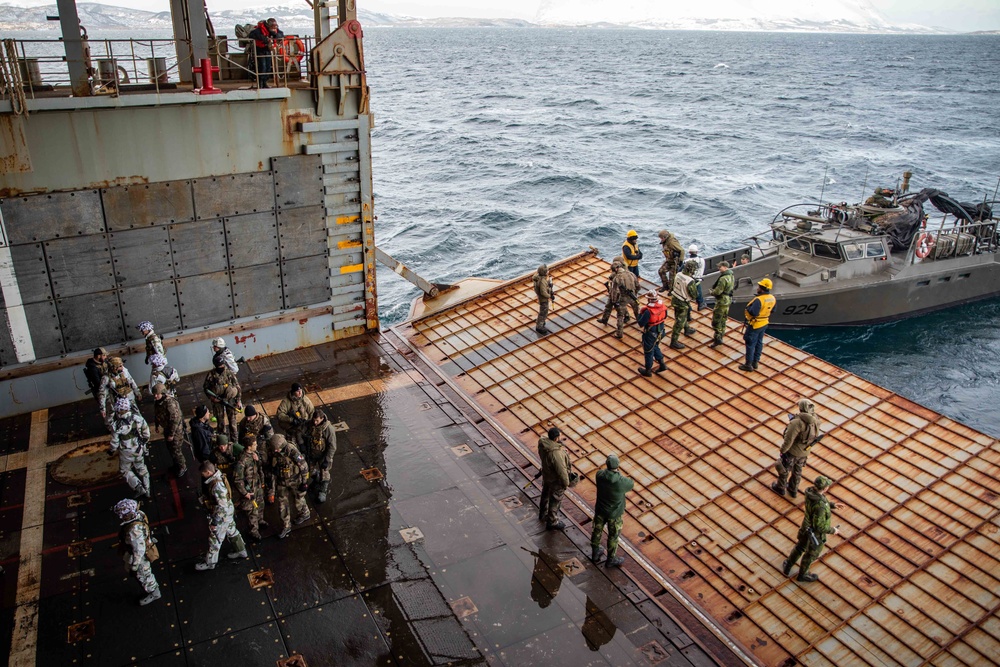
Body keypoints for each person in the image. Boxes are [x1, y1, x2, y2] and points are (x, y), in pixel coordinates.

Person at [782, 476, 840, 583]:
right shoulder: (820, 506)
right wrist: (833, 530)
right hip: (815, 534)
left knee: (800, 547)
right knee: (810, 554)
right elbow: (820, 526)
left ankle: (788, 565)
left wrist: (831, 505)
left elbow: (817, 504)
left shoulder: (810, 493)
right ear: (825, 488)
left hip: (806, 527)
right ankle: (803, 575)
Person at [195, 462, 248, 570]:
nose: (202, 475)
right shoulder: (219, 477)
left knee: (215, 539)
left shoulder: (216, 486)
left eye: (203, 473)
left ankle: (210, 563)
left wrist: (215, 522)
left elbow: (221, 506)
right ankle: (241, 550)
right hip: (228, 511)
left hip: (222, 515)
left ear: (208, 472)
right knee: (232, 531)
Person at [113, 499, 161, 606]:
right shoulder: (140, 514)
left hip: (140, 558)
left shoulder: (134, 530)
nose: (122, 517)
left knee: (144, 575)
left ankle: (154, 592)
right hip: (143, 545)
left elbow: (139, 550)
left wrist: (135, 566)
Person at [590, 454, 634, 567]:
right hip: (614, 514)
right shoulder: (622, 482)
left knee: (597, 530)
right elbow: (631, 484)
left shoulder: (599, 475)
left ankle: (595, 552)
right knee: (613, 536)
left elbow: (603, 473)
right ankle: (611, 559)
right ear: (618, 466)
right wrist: (618, 473)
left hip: (600, 510)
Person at [771, 399, 821, 498]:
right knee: (797, 471)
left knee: (784, 469)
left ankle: (780, 487)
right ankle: (793, 489)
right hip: (805, 451)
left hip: (793, 451)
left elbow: (788, 439)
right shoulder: (816, 420)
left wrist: (783, 450)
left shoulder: (797, 422)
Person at [268, 433, 310, 538]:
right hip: (281, 481)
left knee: (299, 499)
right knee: (282, 503)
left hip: (295, 480)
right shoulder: (273, 451)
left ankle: (304, 512)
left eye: (277, 449)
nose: (276, 451)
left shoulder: (291, 450)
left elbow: (304, 466)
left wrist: (304, 482)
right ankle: (286, 525)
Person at [108, 398, 152, 499]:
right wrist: (144, 442)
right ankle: (147, 489)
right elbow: (146, 433)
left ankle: (138, 487)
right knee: (142, 469)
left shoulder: (116, 425)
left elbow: (115, 442)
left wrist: (111, 451)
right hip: (139, 449)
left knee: (124, 470)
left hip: (126, 453)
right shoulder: (138, 419)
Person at [233, 436, 267, 540]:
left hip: (257, 485)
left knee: (260, 504)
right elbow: (237, 479)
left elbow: (260, 466)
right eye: (255, 444)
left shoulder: (254, 454)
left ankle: (260, 520)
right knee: (252, 510)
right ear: (249, 447)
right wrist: (245, 493)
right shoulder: (242, 461)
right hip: (249, 489)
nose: (256, 445)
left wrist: (258, 460)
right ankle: (253, 530)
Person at [538, 427, 572, 531]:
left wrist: (559, 447)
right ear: (556, 438)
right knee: (555, 499)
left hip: (547, 474)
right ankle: (552, 522)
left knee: (545, 494)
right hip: (555, 480)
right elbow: (561, 470)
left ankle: (542, 513)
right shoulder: (556, 454)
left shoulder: (542, 443)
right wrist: (566, 483)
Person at [740, 278, 776, 373]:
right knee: (759, 343)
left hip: (755, 324)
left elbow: (754, 312)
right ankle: (755, 362)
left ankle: (748, 365)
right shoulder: (772, 298)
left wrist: (749, 309)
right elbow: (773, 310)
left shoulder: (758, 300)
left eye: (759, 286)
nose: (757, 288)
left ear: (762, 288)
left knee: (750, 343)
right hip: (764, 323)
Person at [203, 354, 241, 442]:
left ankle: (235, 441)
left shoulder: (229, 373)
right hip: (217, 401)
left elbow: (237, 387)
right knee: (220, 423)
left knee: (233, 422)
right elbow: (205, 388)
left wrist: (238, 401)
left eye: (222, 365)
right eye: (219, 366)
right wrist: (212, 398)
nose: (221, 367)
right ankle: (223, 441)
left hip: (230, 400)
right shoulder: (211, 375)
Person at [152, 383, 187, 477]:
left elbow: (175, 420)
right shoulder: (158, 402)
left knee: (176, 450)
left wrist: (171, 434)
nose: (155, 396)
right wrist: (157, 425)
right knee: (170, 449)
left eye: (157, 394)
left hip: (175, 431)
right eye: (154, 394)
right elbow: (157, 413)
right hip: (167, 428)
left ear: (163, 393)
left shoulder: (170, 403)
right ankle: (176, 465)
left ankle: (182, 466)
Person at [598, 259, 640, 340]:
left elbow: (614, 292)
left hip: (623, 298)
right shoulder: (631, 274)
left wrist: (614, 301)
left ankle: (619, 333)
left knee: (620, 316)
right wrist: (635, 294)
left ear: (616, 269)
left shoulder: (617, 278)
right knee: (637, 313)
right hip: (633, 296)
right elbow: (638, 286)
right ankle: (642, 324)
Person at [99, 357, 141, 427]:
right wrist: (102, 408)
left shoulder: (124, 371)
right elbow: (102, 394)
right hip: (118, 403)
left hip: (129, 397)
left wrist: (137, 392)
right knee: (120, 418)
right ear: (114, 367)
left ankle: (140, 426)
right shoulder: (106, 378)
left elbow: (131, 380)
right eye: (120, 366)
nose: (122, 367)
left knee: (137, 413)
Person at [306, 409, 337, 503]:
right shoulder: (310, 424)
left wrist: (327, 459)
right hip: (312, 453)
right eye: (314, 420)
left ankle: (323, 491)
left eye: (317, 421)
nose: (315, 422)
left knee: (325, 474)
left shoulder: (329, 429)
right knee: (308, 470)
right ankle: (316, 479)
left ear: (322, 418)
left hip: (323, 455)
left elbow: (332, 446)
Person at [636, 291, 668, 377]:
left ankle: (648, 370)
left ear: (649, 300)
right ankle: (662, 364)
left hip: (651, 334)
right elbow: (665, 316)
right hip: (661, 331)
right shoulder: (663, 307)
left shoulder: (648, 312)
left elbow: (640, 323)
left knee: (648, 351)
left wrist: (640, 314)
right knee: (655, 346)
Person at [668, 260, 698, 350]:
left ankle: (687, 328)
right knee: (679, 322)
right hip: (683, 302)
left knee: (680, 317)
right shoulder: (690, 281)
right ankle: (673, 342)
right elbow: (694, 295)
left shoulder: (678, 274)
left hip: (675, 298)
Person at [248, 18, 283, 89]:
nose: (273, 29)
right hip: (260, 49)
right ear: (268, 26)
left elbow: (281, 34)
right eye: (271, 27)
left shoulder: (275, 30)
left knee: (267, 67)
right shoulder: (259, 29)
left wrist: (276, 35)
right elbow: (251, 35)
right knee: (262, 66)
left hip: (268, 49)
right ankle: (260, 83)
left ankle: (265, 82)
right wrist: (263, 38)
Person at [709, 260, 734, 348]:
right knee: (723, 319)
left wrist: (712, 292)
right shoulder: (731, 275)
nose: (719, 268)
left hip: (721, 301)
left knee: (716, 321)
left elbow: (718, 291)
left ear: (725, 267)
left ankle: (717, 339)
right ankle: (721, 335)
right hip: (728, 300)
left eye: (720, 267)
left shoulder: (723, 278)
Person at [532, 264, 553, 335]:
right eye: (547, 271)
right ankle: (540, 326)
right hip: (543, 299)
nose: (548, 271)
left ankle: (540, 322)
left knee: (543, 311)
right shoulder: (542, 281)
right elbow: (543, 292)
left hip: (541, 298)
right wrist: (549, 296)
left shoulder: (538, 278)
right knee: (544, 312)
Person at [687, 244, 706, 310]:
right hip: (697, 279)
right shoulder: (701, 260)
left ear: (689, 252)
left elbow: (680, 270)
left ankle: (688, 308)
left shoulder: (686, 261)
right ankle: (700, 304)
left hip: (689, 280)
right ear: (697, 252)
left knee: (687, 294)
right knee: (698, 292)